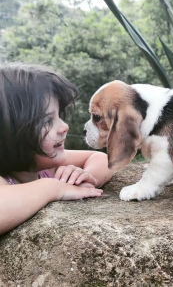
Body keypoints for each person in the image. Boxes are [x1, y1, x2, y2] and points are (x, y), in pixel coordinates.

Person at [0, 63, 113, 235]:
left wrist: (87, 179)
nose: (64, 126)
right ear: (8, 132)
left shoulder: (46, 165)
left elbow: (103, 159)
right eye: (47, 121)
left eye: (58, 116)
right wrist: (54, 188)